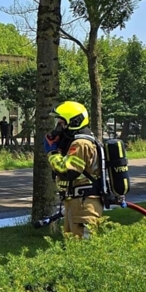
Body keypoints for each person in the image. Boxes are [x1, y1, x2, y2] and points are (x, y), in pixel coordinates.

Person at [44, 100, 103, 239]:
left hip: (84, 204)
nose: (58, 126)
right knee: (72, 249)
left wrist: (52, 153)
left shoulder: (81, 144)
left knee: (84, 250)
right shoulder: (76, 142)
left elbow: (68, 171)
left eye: (62, 122)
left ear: (74, 122)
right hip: (76, 202)